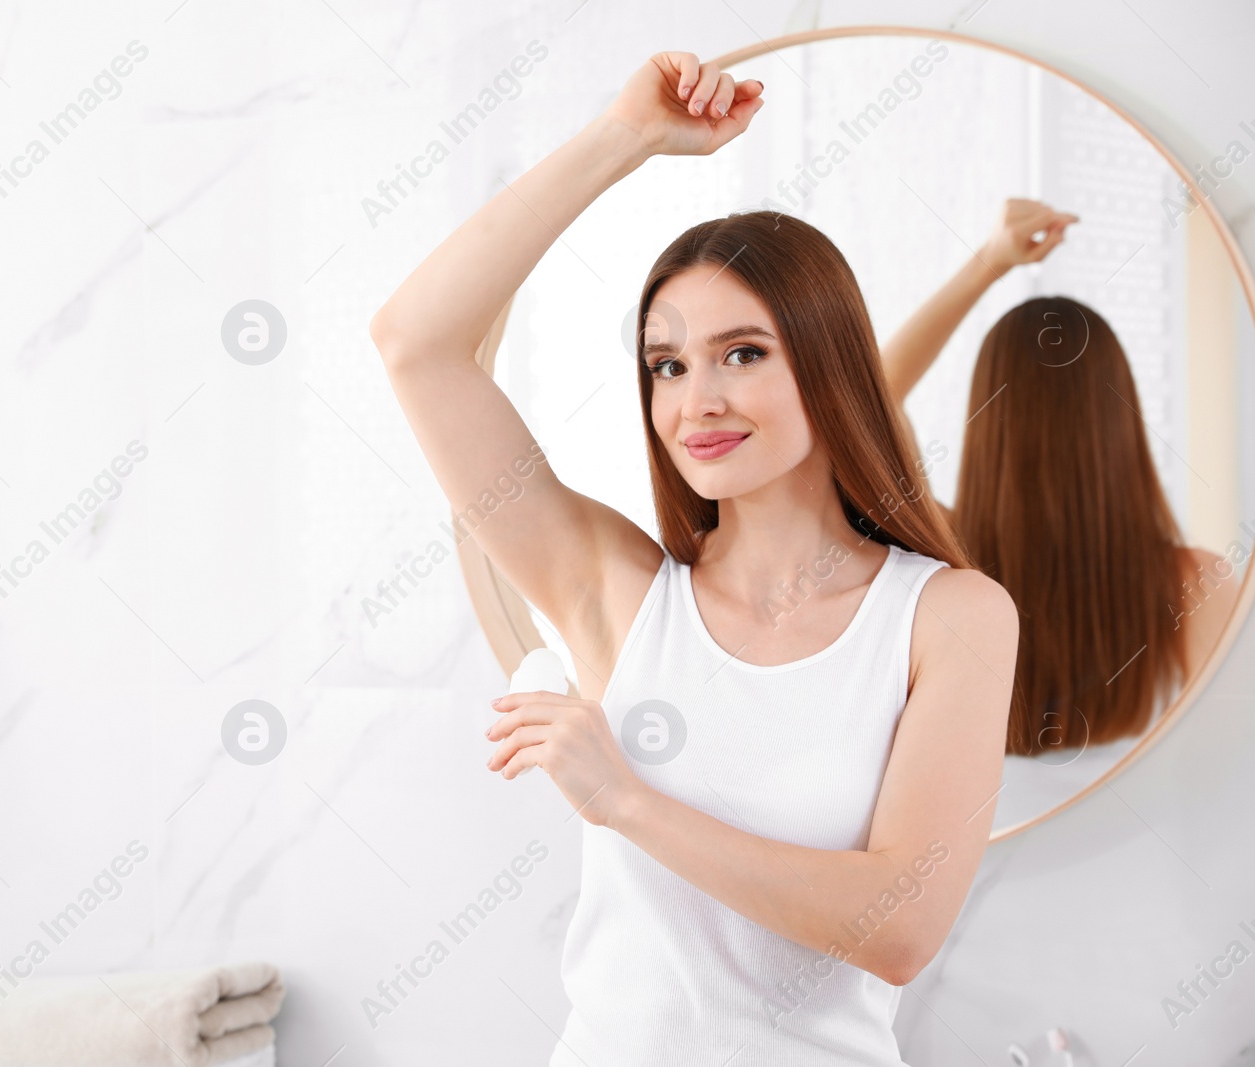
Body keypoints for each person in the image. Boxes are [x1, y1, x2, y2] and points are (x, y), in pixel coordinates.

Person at [370, 51, 1018, 1065]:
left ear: (829, 362)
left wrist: (626, 799)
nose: (694, 400)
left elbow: (897, 928)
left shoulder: (949, 616)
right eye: (665, 364)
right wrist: (623, 138)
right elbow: (416, 340)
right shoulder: (615, 591)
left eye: (742, 352)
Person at [880, 198, 1239, 759]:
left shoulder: (946, 561)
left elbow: (869, 399)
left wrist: (990, 262)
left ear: (988, 419)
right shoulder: (1199, 583)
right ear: (1119, 420)